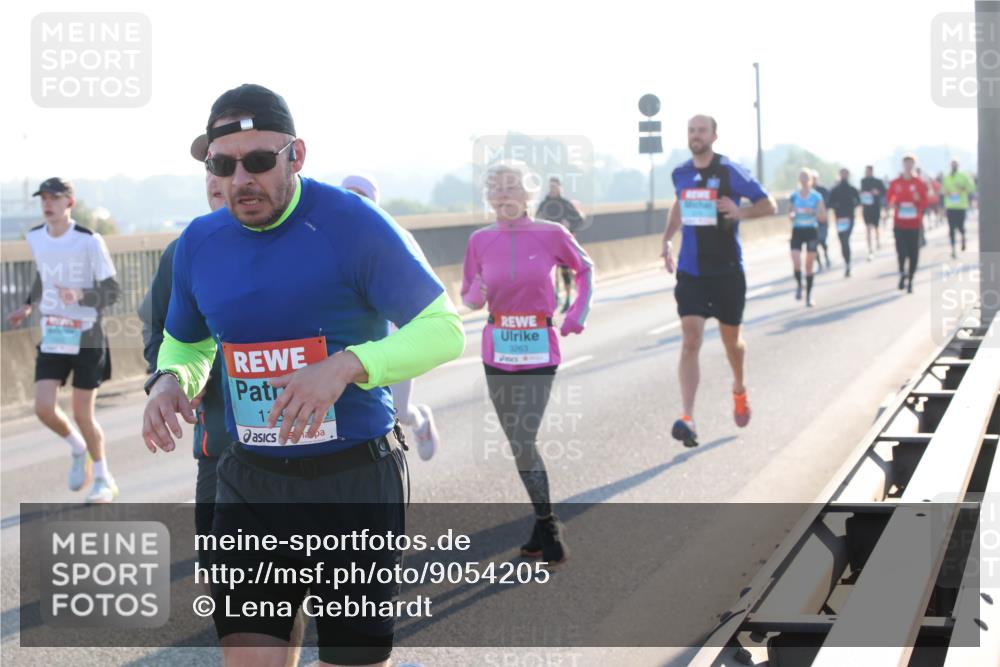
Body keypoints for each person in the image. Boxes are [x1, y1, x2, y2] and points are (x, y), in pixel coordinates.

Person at [141, 84, 464, 667]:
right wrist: (170, 380)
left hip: (353, 484)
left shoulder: (352, 225)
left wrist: (347, 366)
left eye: (260, 161)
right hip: (251, 481)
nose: (241, 179)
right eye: (223, 164)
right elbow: (186, 342)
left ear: (296, 155)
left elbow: (444, 328)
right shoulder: (199, 243)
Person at [461, 160, 593, 566]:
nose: (504, 194)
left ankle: (548, 524)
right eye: (496, 188)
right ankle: (542, 526)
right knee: (520, 443)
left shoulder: (552, 234)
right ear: (488, 196)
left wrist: (577, 314)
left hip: (539, 345)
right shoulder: (479, 240)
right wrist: (478, 291)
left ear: (528, 194)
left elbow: (585, 269)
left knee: (523, 438)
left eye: (512, 186)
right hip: (497, 347)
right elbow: (468, 297)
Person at [660, 114, 776, 448]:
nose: (695, 135)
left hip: (726, 270)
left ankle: (739, 388)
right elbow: (679, 207)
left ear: (714, 135)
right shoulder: (680, 172)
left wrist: (741, 212)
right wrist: (668, 239)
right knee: (690, 340)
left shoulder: (730, 171)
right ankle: (688, 416)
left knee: (731, 343)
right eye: (691, 130)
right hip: (691, 271)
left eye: (701, 130)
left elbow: (768, 204)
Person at [6, 177, 120, 503]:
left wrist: (80, 295)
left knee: (83, 413)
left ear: (69, 202)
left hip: (86, 334)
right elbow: (44, 274)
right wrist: (28, 305)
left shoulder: (89, 241)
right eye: (43, 197)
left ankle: (102, 477)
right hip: (55, 333)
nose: (47, 203)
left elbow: (112, 291)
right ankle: (78, 447)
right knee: (43, 407)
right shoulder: (35, 237)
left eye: (54, 197)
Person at [341, 173, 442, 461]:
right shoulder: (329, 240)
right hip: (353, 344)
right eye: (349, 193)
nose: (355, 200)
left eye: (362, 194)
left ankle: (420, 419)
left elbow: (424, 284)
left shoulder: (396, 235)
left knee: (398, 410)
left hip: (395, 340)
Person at [536, 177, 585, 313]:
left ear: (560, 188)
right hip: (547, 243)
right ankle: (555, 297)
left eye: (555, 187)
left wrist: (569, 225)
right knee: (550, 272)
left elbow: (579, 220)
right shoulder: (544, 204)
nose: (552, 190)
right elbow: (535, 221)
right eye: (550, 187)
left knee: (565, 271)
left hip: (562, 242)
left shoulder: (565, 204)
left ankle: (568, 298)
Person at [886, 154, 928, 294]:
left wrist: (917, 201)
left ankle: (911, 280)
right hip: (899, 224)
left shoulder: (919, 183)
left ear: (914, 165)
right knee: (901, 252)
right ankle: (901, 273)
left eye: (911, 164)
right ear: (903, 165)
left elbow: (925, 202)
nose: (908, 166)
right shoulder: (895, 182)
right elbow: (889, 200)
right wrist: (894, 205)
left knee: (913, 254)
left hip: (915, 224)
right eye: (906, 164)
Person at [788, 169, 826, 306]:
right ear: (799, 179)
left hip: (811, 230)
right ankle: (799, 284)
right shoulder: (794, 196)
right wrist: (792, 216)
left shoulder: (817, 197)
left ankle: (809, 296)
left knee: (809, 265)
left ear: (810, 179)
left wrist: (813, 212)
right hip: (797, 231)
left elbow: (823, 217)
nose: (803, 179)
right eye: (801, 177)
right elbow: (790, 213)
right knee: (796, 261)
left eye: (806, 177)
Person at [827, 168, 860, 277]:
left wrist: (852, 206)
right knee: (842, 242)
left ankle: (848, 264)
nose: (844, 175)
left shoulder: (852, 189)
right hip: (839, 219)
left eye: (846, 173)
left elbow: (858, 201)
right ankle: (847, 262)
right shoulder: (835, 190)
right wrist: (836, 206)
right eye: (842, 173)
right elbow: (829, 203)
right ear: (840, 174)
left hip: (849, 218)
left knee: (846, 240)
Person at [941, 158, 976, 259]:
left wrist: (963, 188)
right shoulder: (946, 177)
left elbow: (972, 188)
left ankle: (963, 238)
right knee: (951, 228)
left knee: (960, 227)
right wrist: (946, 192)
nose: (953, 166)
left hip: (961, 206)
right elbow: (942, 190)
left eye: (955, 164)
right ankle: (953, 249)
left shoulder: (963, 176)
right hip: (950, 206)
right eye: (952, 164)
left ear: (958, 165)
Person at [859, 165, 886, 260]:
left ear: (871, 171)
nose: (867, 172)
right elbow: (861, 192)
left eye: (868, 171)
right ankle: (870, 247)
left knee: (876, 226)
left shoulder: (878, 181)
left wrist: (877, 192)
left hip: (875, 207)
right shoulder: (863, 181)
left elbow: (884, 192)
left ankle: (878, 241)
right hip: (866, 208)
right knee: (868, 227)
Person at [811, 170, 832, 271]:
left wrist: (820, 211)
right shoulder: (806, 191)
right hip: (811, 222)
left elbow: (828, 203)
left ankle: (827, 256)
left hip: (822, 220)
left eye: (814, 178)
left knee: (822, 240)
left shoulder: (823, 190)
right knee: (813, 244)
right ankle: (819, 263)